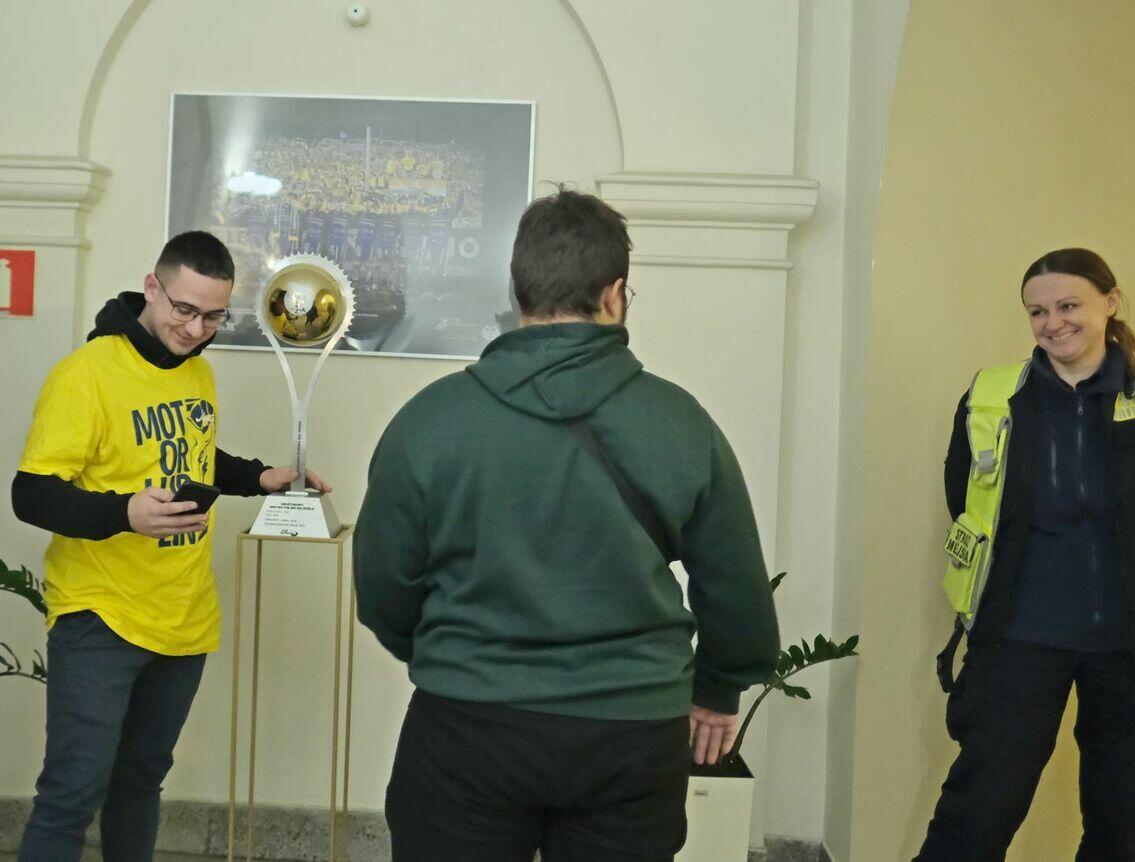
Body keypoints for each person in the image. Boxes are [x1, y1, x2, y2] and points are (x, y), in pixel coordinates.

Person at [354, 190, 780, 862]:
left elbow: (383, 584)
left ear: (518, 290)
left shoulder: (429, 421)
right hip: (632, 731)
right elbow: (734, 583)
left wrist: (455, 658)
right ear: (614, 295)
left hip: (467, 727)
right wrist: (719, 688)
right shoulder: (680, 422)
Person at [11, 230, 330, 861]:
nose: (195, 329)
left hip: (183, 617)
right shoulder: (85, 375)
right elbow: (32, 494)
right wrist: (124, 512)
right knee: (72, 793)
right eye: (184, 309)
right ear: (152, 288)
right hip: (100, 615)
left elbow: (193, 456)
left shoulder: (197, 371)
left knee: (140, 781)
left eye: (213, 316)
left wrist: (260, 477)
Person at [914, 248, 1135, 861]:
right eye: (1038, 311)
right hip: (1019, 640)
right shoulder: (993, 399)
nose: (1053, 323)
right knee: (973, 821)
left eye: (1068, 305)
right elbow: (967, 501)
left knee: (1125, 833)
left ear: (1110, 302)